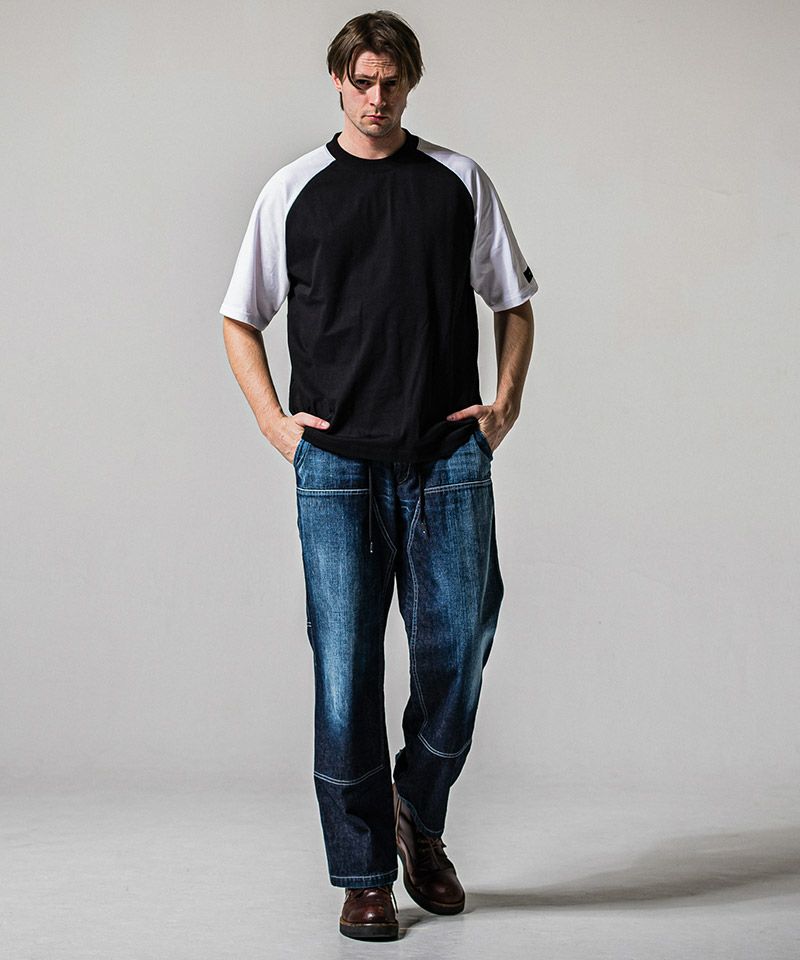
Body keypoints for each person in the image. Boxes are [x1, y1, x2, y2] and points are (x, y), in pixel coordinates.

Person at [219, 9, 537, 942]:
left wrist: (504, 405)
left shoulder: (458, 182)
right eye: (361, 81)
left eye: (391, 81)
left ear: (411, 82)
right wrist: (276, 425)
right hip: (337, 471)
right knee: (345, 671)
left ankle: (418, 814)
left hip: (447, 461)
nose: (377, 97)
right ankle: (364, 874)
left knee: (458, 651)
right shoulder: (293, 191)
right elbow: (239, 317)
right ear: (338, 82)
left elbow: (515, 302)